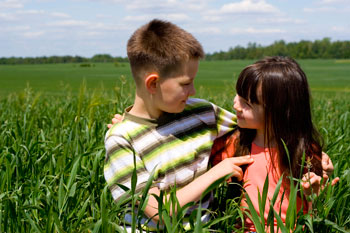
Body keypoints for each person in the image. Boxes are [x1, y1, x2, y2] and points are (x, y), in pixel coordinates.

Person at [104, 19, 254, 230]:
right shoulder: (121, 139)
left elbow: (258, 128)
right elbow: (158, 212)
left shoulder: (202, 112)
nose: (193, 91)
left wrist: (313, 156)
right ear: (153, 83)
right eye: (185, 83)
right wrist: (216, 173)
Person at [210, 56, 339, 232]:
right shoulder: (235, 143)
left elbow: (315, 214)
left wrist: (317, 195)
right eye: (238, 95)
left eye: (246, 103)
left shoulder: (304, 152)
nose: (235, 105)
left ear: (278, 113)